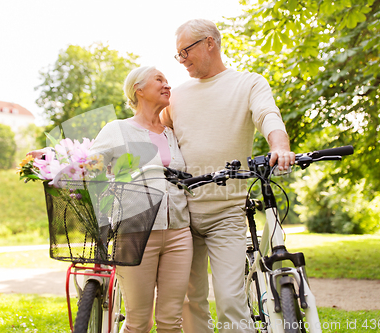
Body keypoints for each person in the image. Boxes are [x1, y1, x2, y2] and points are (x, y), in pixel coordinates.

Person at [160, 19, 296, 333]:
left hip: (228, 211)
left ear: (210, 42)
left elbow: (267, 115)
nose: (181, 60)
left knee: (231, 300)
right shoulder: (177, 96)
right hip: (182, 212)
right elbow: (150, 130)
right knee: (189, 299)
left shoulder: (248, 83)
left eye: (185, 51)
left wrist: (280, 145)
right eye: (177, 55)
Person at [89, 66, 193, 333]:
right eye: (159, 79)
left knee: (172, 321)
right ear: (139, 89)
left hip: (179, 233)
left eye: (167, 80)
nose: (167, 84)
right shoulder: (117, 130)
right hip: (135, 233)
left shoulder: (171, 133)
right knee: (138, 322)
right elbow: (88, 166)